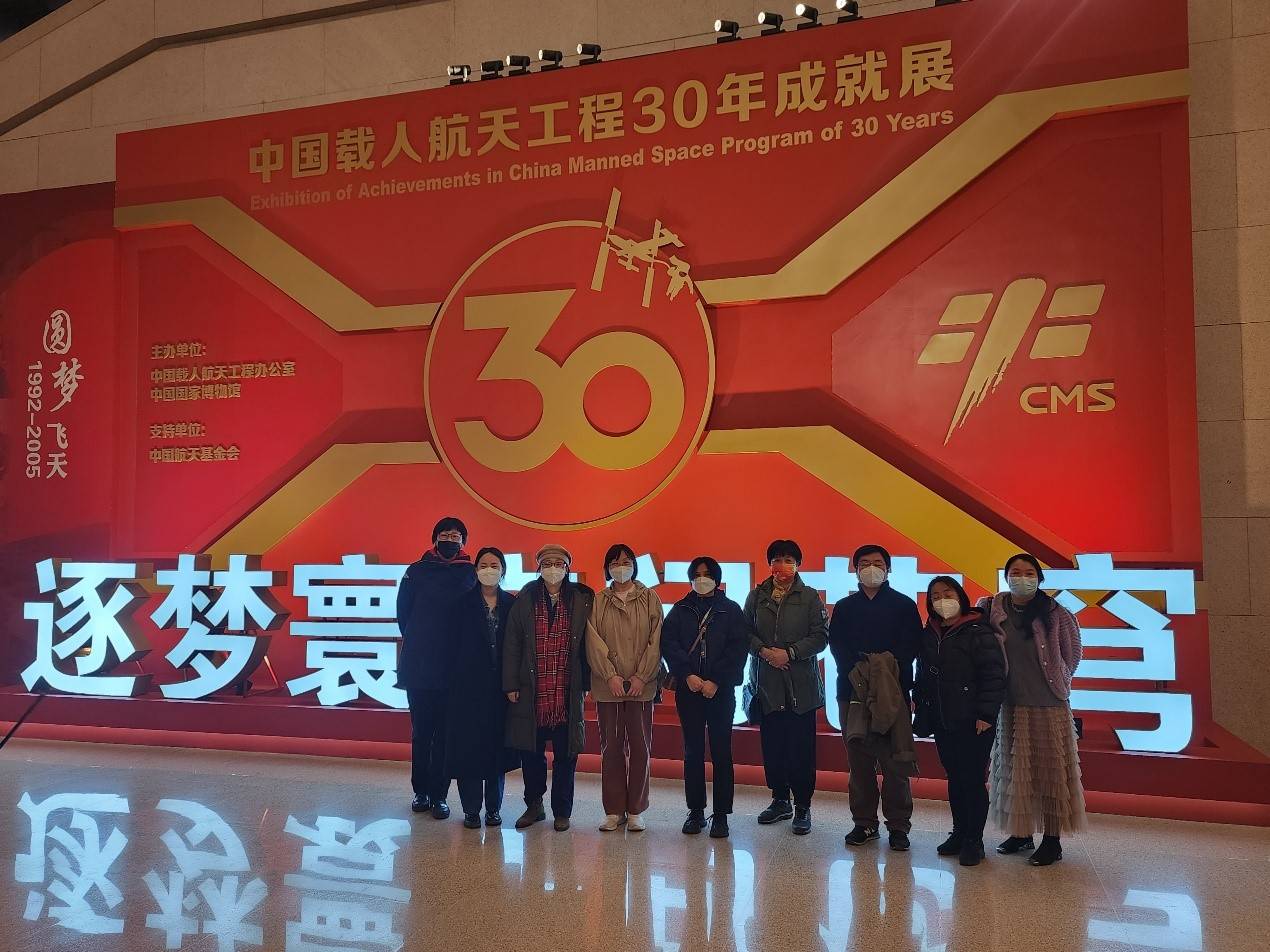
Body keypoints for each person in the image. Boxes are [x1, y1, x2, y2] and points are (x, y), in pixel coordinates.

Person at [981, 553, 1086, 867]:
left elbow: (1073, 654)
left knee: (1051, 774)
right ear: (1006, 577)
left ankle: (1052, 841)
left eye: (1029, 573)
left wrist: (1058, 678)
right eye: (1015, 572)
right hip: (1008, 704)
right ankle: (1021, 833)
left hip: (1048, 704)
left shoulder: (1057, 613)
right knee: (1015, 773)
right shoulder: (991, 608)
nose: (1021, 578)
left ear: (1039, 579)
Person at [828, 544, 923, 851]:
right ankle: (864, 823)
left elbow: (910, 647)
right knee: (859, 762)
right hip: (852, 694)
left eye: (878, 563)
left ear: (888, 568)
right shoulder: (844, 607)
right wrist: (864, 674)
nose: (872, 569)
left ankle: (898, 825)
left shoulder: (904, 605)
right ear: (856, 570)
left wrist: (882, 670)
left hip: (893, 694)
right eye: (864, 564)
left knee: (895, 762)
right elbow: (838, 647)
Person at [913, 576, 1006, 866]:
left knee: (972, 779)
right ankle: (959, 832)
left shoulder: (978, 630)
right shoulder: (931, 631)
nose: (942, 600)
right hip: (943, 718)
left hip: (973, 720)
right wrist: (920, 701)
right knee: (954, 777)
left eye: (948, 593)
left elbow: (994, 675)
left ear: (960, 596)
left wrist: (986, 714)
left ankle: (974, 840)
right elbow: (923, 671)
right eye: (935, 596)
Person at [503, 543, 594, 832]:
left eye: (559, 563)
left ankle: (562, 811)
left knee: (566, 755)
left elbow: (591, 643)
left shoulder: (582, 598)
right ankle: (534, 805)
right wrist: (510, 683)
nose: (553, 568)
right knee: (531, 753)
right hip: (532, 690)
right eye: (547, 563)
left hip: (567, 690)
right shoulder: (526, 598)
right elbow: (512, 643)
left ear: (567, 568)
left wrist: (588, 682)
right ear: (539, 568)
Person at [743, 539, 828, 835]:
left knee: (801, 750)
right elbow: (744, 632)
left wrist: (789, 653)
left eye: (789, 559)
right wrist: (765, 652)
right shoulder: (757, 596)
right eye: (777, 559)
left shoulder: (810, 596)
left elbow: (821, 636)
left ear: (798, 564)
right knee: (773, 747)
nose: (782, 565)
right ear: (769, 564)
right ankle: (780, 800)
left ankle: (802, 806)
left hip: (800, 688)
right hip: (767, 685)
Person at [662, 557, 751, 839]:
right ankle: (696, 811)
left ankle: (721, 815)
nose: (702, 579)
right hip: (689, 690)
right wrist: (687, 674)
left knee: (722, 752)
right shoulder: (680, 609)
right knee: (692, 751)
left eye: (708, 574)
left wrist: (716, 680)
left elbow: (738, 649)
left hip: (720, 692)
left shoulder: (730, 610)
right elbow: (669, 644)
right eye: (697, 574)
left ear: (717, 578)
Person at [396, 516, 476, 818]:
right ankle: (421, 792)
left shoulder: (471, 573)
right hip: (419, 666)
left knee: (444, 736)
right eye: (445, 534)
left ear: (463, 542)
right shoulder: (415, 571)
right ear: (435, 539)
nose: (450, 540)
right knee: (421, 733)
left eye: (456, 536)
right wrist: (422, 639)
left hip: (454, 669)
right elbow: (403, 615)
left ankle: (440, 796)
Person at [586, 544, 663, 833]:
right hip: (609, 688)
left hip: (642, 686)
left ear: (634, 566)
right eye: (615, 562)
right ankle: (613, 810)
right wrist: (610, 676)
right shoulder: (598, 600)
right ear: (608, 568)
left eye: (626, 561)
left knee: (641, 747)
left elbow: (656, 640)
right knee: (611, 748)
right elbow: (593, 641)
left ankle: (636, 809)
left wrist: (642, 676)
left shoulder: (650, 598)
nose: (621, 567)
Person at [445, 547, 519, 829]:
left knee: (496, 749)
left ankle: (494, 809)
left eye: (494, 565)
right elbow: (449, 648)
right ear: (475, 570)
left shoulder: (512, 604)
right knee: (468, 749)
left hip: (501, 689)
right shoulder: (460, 604)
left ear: (503, 571)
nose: (489, 570)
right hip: (467, 689)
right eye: (484, 565)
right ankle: (471, 809)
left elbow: (519, 647)